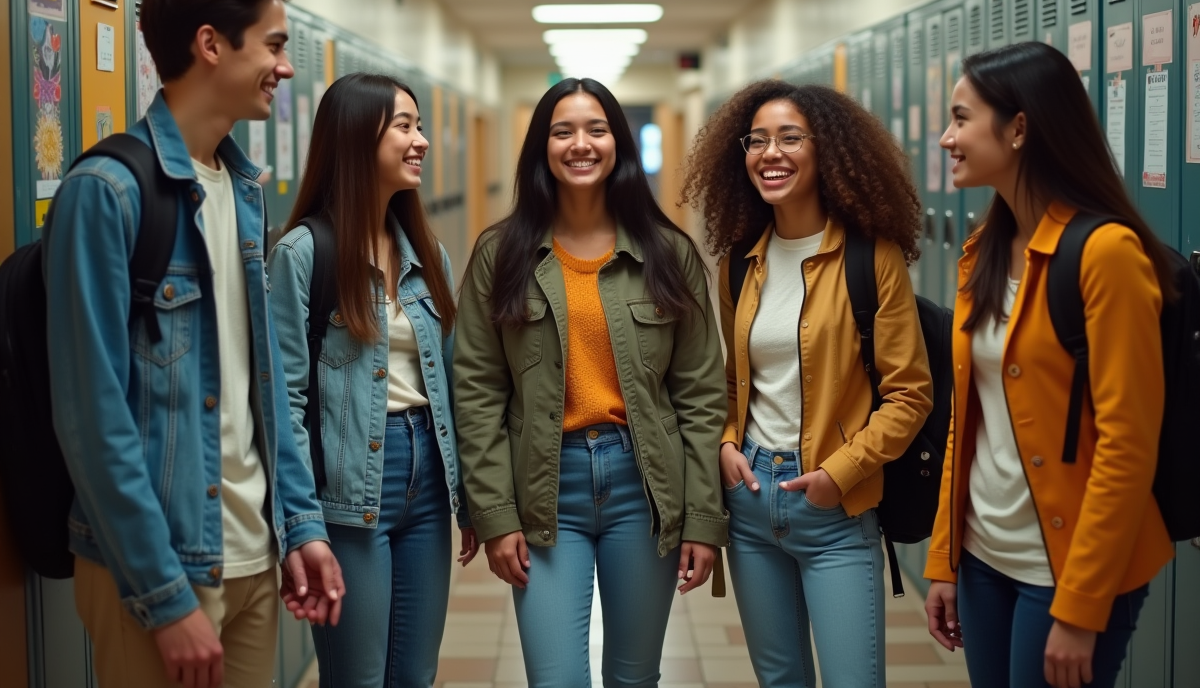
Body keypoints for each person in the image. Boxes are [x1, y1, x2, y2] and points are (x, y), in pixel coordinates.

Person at [43, 0, 343, 688]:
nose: (286, 66)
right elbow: (93, 416)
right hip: (165, 568)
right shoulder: (105, 194)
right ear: (212, 45)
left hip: (249, 555)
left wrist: (299, 525)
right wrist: (162, 595)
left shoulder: (242, 189)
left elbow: (262, 382)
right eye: (273, 46)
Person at [453, 77, 728, 688]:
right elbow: (475, 390)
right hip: (545, 488)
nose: (581, 144)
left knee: (634, 678)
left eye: (596, 129)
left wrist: (704, 520)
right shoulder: (501, 254)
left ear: (618, 144)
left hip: (645, 486)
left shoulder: (667, 253)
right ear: (541, 148)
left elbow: (703, 395)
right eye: (563, 131)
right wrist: (495, 514)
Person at [923, 42, 1176, 688]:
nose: (947, 138)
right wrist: (945, 559)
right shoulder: (982, 249)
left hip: (1064, 569)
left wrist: (1082, 605)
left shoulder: (1105, 254)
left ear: (1018, 129)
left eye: (960, 118)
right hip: (984, 560)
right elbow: (966, 420)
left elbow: (1128, 444)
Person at [681, 79, 934, 688]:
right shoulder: (739, 262)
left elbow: (910, 392)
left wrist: (840, 473)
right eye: (758, 140)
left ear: (829, 151)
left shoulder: (871, 258)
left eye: (791, 138)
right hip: (750, 500)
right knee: (780, 679)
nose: (771, 153)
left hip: (835, 506)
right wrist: (723, 445)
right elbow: (733, 381)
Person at [268, 73, 477, 687]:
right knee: (357, 676)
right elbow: (285, 399)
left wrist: (470, 496)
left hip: (427, 479)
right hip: (350, 489)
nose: (423, 142)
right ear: (359, 138)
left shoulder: (423, 251)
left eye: (420, 126)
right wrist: (301, 526)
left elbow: (454, 379)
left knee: (414, 674)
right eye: (405, 126)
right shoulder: (304, 253)